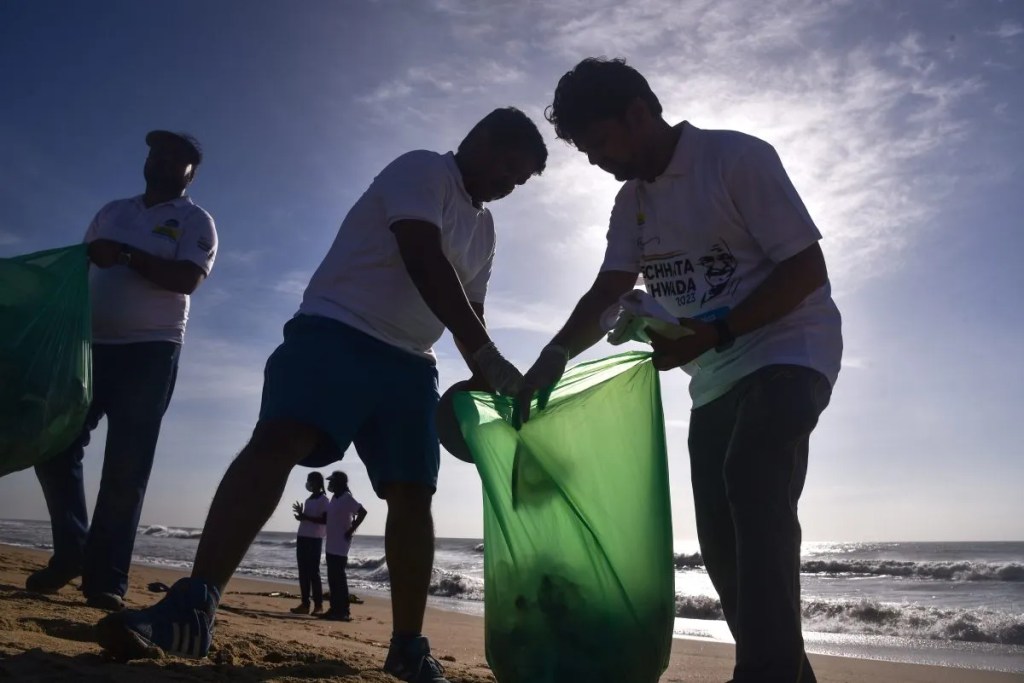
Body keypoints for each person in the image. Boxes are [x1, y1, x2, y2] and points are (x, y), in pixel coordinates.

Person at [95, 107, 547, 683]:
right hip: (336, 329)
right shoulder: (424, 170)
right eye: (512, 168)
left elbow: (472, 308)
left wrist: (485, 379)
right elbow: (421, 252)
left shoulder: (484, 229)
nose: (512, 186)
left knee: (413, 493)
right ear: (481, 141)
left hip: (412, 364)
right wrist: (488, 357)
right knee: (281, 438)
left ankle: (408, 644)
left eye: (523, 181)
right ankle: (194, 605)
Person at [518, 58, 842, 683]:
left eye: (600, 142)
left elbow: (806, 271)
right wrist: (554, 355)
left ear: (639, 113)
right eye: (585, 150)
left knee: (753, 476)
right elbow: (610, 289)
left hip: (791, 349)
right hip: (714, 373)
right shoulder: (630, 204)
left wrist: (716, 331)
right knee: (719, 538)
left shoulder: (735, 159)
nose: (594, 160)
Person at [27, 131, 217, 612]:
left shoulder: (196, 221)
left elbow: (186, 280)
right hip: (88, 346)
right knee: (53, 444)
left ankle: (106, 579)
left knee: (126, 468)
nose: (161, 159)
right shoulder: (112, 212)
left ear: (191, 170)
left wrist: (129, 256)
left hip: (150, 353)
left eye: (174, 156)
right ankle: (72, 549)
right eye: (156, 151)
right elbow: (79, 269)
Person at [319, 470, 367, 622]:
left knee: (339, 577)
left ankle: (344, 611)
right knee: (332, 578)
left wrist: (351, 530)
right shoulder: (334, 498)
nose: (330, 484)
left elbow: (363, 512)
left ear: (339, 482)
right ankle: (334, 608)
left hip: (340, 544)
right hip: (331, 543)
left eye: (332, 481)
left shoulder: (347, 498)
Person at [290, 471, 329, 615]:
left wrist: (305, 516)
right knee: (303, 572)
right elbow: (307, 518)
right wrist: (301, 516)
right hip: (303, 536)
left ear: (317, 482)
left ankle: (318, 606)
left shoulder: (324, 500)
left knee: (313, 572)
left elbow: (325, 520)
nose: (308, 483)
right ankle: (305, 604)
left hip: (314, 538)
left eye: (309, 480)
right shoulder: (309, 499)